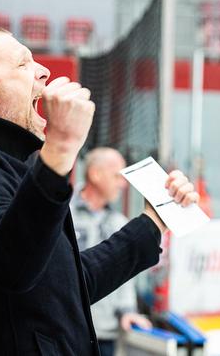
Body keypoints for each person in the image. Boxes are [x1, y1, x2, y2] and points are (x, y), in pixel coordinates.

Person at [0, 27, 199, 356]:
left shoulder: (8, 170)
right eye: (22, 65)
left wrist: (153, 221)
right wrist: (60, 147)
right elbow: (11, 266)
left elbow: (65, 287)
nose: (43, 71)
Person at [71, 147, 153, 356]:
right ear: (95, 174)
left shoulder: (119, 223)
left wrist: (128, 311)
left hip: (105, 336)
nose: (123, 184)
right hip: (66, 332)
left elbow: (126, 276)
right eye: (117, 176)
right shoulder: (63, 213)